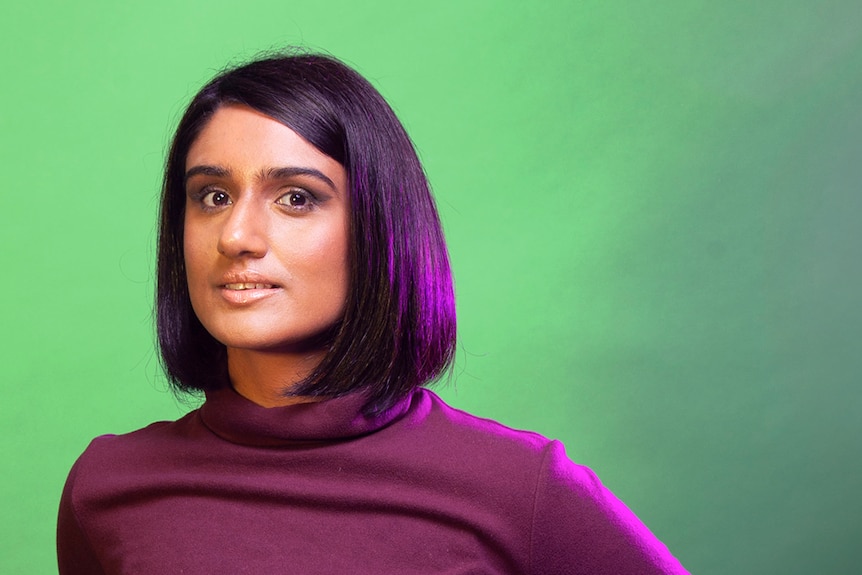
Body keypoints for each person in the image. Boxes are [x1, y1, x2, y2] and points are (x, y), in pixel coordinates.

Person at [57, 51, 689, 574]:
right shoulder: (107, 488)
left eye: (297, 198)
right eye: (212, 196)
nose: (236, 236)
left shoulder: (520, 490)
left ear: (379, 229)